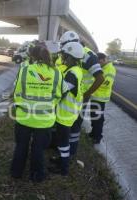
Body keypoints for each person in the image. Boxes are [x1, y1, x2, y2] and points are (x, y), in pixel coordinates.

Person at [11, 42, 63, 182]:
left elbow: (16, 92)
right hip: (45, 119)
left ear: (32, 56)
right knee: (38, 149)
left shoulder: (25, 70)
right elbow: (59, 95)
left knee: (21, 146)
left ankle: (16, 173)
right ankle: (37, 175)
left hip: (24, 117)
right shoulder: (56, 72)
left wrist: (20, 105)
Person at [59, 31, 105, 156]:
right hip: (68, 96)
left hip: (79, 98)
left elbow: (100, 78)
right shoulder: (69, 54)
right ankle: (65, 151)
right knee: (66, 125)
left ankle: (70, 153)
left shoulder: (89, 56)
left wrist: (86, 94)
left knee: (74, 126)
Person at [54, 42, 84, 176]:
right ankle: (61, 160)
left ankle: (63, 168)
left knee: (63, 142)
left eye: (65, 55)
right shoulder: (76, 70)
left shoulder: (72, 74)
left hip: (65, 115)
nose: (63, 58)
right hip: (71, 112)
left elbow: (61, 92)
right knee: (63, 141)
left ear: (71, 57)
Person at [89, 53, 116, 144]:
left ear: (104, 59)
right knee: (94, 117)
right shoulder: (103, 68)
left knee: (98, 119)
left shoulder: (110, 69)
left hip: (100, 98)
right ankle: (93, 133)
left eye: (99, 62)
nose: (98, 64)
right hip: (95, 97)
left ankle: (97, 137)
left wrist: (92, 84)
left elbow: (106, 83)